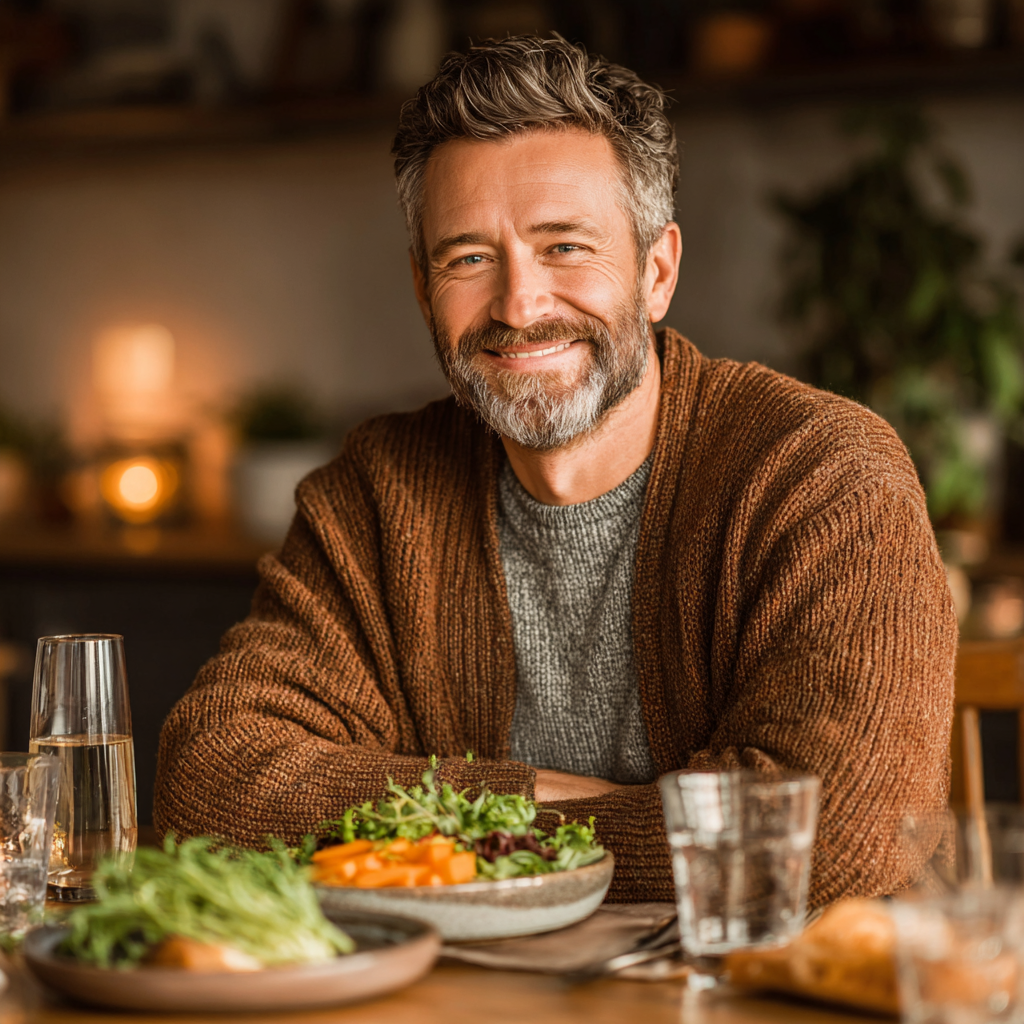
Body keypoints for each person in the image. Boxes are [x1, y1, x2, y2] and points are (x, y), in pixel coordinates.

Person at [155, 36, 956, 904]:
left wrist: (441, 829)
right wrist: (541, 800)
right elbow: (211, 787)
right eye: (468, 258)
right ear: (425, 291)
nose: (519, 305)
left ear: (656, 272)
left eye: (565, 247)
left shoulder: (823, 474)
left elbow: (834, 840)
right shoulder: (376, 494)